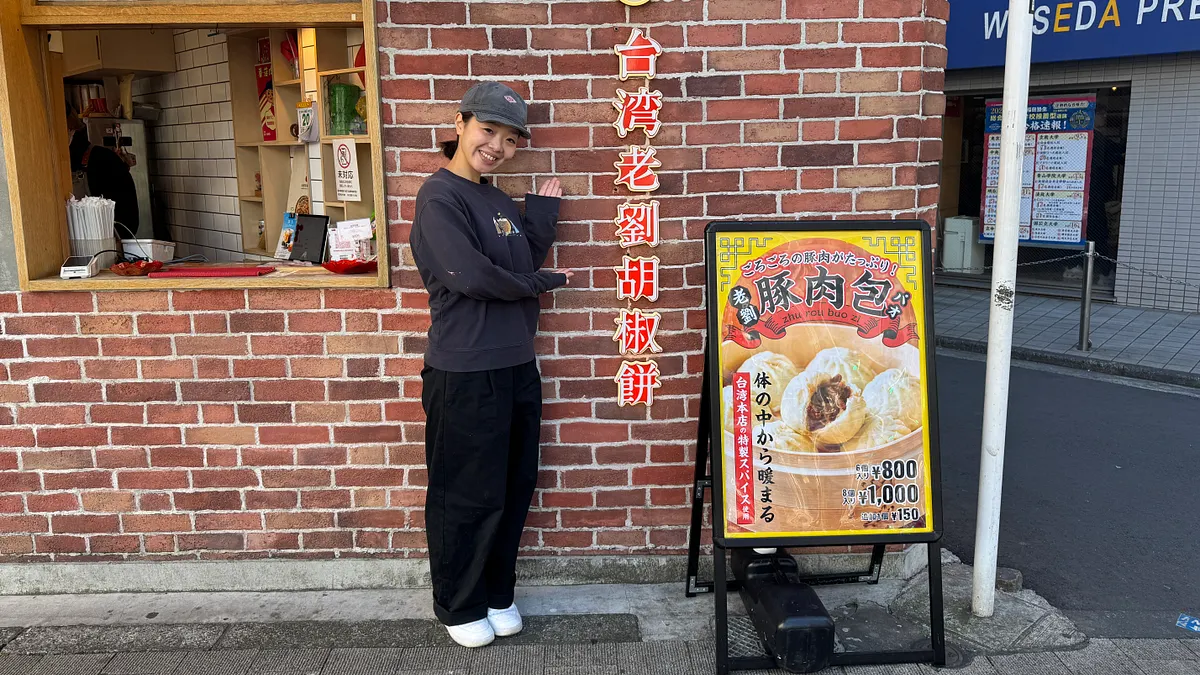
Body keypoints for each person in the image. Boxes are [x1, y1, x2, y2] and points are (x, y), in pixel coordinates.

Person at [409, 81, 574, 649]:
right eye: (487, 131)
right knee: (466, 494)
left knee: (512, 486)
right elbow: (471, 277)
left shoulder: (500, 201)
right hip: (465, 371)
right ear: (460, 124)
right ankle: (459, 603)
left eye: (508, 139)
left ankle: (497, 592)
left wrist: (543, 215)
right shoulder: (439, 198)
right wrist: (537, 285)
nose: (496, 146)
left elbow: (521, 258)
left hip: (515, 365)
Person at [67, 106, 139, 237]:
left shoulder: (104, 161)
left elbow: (129, 221)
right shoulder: (55, 163)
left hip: (105, 248)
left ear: (71, 130)